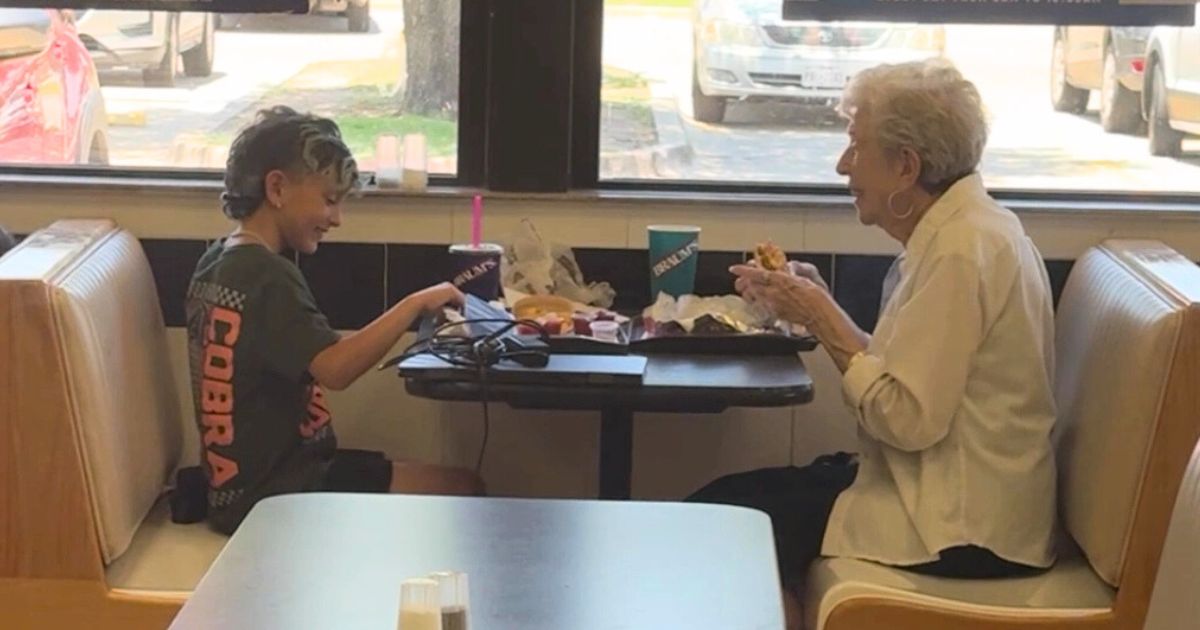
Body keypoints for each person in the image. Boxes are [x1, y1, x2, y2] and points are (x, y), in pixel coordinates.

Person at [688, 59, 1057, 627]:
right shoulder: (967, 232)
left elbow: (907, 419)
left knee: (718, 522)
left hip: (962, 526)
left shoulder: (963, 250)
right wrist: (820, 312)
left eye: (856, 147)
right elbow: (907, 379)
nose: (843, 165)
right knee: (728, 508)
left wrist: (819, 314)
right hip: (946, 496)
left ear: (906, 166)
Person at [186, 106, 482, 534]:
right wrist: (415, 304)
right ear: (277, 188)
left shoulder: (217, 261)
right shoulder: (264, 275)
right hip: (279, 499)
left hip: (239, 490)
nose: (337, 218)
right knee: (466, 489)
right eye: (328, 200)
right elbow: (336, 368)